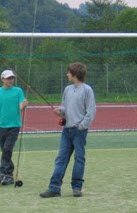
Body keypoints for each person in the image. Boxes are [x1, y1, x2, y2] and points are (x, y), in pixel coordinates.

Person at [40, 62, 96, 198]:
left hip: (79, 131)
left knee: (79, 158)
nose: (67, 74)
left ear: (75, 74)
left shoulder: (87, 90)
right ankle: (54, 187)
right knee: (61, 159)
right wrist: (60, 111)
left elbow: (91, 111)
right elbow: (65, 108)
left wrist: (81, 126)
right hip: (66, 131)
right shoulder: (67, 89)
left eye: (69, 72)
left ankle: (77, 188)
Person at [0, 69, 27, 186]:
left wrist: (24, 106)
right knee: (5, 151)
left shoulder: (18, 91)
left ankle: (1, 172)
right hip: (1, 126)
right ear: (2, 79)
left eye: (12, 78)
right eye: (8, 78)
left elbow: (21, 105)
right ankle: (9, 174)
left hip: (14, 126)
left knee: (7, 149)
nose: (10, 80)